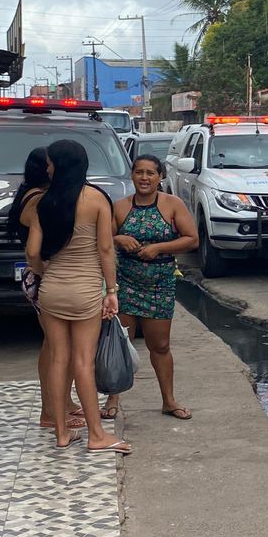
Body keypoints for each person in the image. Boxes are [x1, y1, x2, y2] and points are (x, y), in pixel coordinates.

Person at [24, 139, 129, 454]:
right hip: (85, 291)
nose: (48, 168)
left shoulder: (43, 203)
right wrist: (111, 291)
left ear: (58, 166)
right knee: (83, 362)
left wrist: (48, 271)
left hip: (52, 289)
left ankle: (60, 432)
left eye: (51, 163)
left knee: (58, 360)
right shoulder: (96, 199)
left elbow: (32, 253)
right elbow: (106, 249)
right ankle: (96, 434)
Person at [105, 155, 198, 421]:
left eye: (150, 173)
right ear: (131, 176)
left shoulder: (172, 205)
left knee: (160, 345)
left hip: (160, 285)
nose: (144, 178)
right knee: (121, 342)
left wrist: (159, 248)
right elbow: (103, 240)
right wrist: (118, 238)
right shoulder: (119, 207)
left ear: (160, 177)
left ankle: (168, 400)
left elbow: (192, 239)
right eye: (139, 172)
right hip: (125, 284)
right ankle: (113, 398)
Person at [7, 148, 85, 432]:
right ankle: (50, 411)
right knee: (56, 348)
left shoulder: (30, 194)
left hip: (42, 278)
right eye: (51, 164)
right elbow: (34, 252)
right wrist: (44, 272)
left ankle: (61, 402)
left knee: (55, 346)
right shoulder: (39, 200)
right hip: (44, 278)